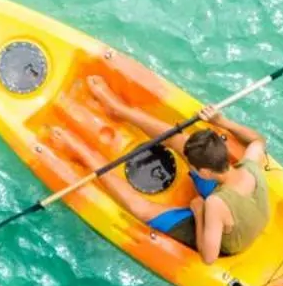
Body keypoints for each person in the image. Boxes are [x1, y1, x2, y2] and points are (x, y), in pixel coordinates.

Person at [47, 77, 271, 265]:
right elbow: (258, 140)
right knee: (178, 140)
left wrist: (200, 212)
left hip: (228, 238)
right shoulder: (251, 164)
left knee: (143, 209)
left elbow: (209, 258)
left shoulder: (215, 205)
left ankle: (85, 156)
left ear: (203, 173)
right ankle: (118, 109)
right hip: (233, 202)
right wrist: (223, 122)